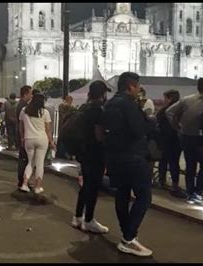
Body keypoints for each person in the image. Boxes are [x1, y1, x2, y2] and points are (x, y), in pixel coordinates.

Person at [103, 72, 152, 257]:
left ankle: (127, 235)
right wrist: (150, 123)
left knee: (122, 194)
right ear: (131, 86)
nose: (139, 90)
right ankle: (129, 238)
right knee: (144, 197)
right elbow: (139, 130)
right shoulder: (129, 104)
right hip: (133, 157)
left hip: (115, 157)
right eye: (137, 86)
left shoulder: (110, 103)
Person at [166, 78, 203, 204]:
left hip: (187, 137)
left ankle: (190, 192)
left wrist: (178, 128)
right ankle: (198, 192)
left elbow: (169, 112)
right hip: (202, 139)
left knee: (190, 166)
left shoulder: (186, 99)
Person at [72, 81, 110, 234]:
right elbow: (99, 135)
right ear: (103, 94)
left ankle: (77, 216)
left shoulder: (84, 108)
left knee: (86, 185)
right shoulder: (99, 110)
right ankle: (89, 220)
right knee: (93, 187)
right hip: (95, 154)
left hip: (83, 152)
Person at [18, 93, 53, 194]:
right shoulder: (45, 112)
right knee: (39, 164)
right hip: (42, 139)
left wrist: (22, 138)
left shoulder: (24, 110)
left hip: (28, 139)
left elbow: (21, 126)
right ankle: (37, 187)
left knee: (30, 162)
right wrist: (51, 142)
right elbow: (48, 129)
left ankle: (24, 184)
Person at [155, 89, 183, 194]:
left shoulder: (164, 111)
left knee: (163, 161)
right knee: (174, 162)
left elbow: (157, 123)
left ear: (170, 99)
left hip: (164, 139)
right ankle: (174, 184)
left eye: (165, 98)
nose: (164, 100)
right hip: (176, 140)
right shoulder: (180, 110)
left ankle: (162, 181)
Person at [16, 86, 33, 189]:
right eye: (30, 93)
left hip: (23, 136)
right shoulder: (23, 106)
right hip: (23, 136)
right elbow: (22, 124)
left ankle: (23, 180)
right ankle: (23, 181)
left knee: (24, 159)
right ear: (25, 94)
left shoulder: (22, 105)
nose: (31, 95)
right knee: (24, 159)